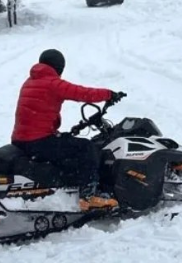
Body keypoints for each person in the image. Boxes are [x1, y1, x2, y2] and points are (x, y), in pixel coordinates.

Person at [11, 49, 122, 209]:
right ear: (59, 67)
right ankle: (89, 196)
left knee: (66, 143)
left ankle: (69, 184)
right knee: (86, 148)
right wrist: (109, 94)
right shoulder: (52, 82)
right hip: (38, 141)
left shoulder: (30, 81)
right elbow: (81, 93)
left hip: (22, 139)